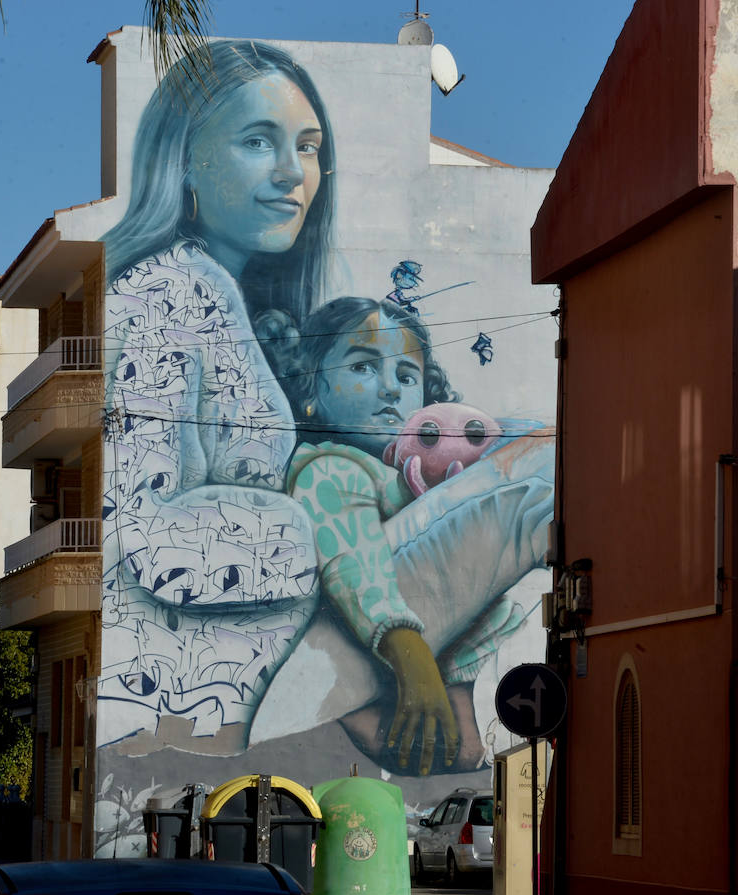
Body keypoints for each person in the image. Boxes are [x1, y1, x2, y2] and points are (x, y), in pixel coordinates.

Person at [99, 41, 452, 762]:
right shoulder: (165, 295)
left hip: (238, 707)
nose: (295, 173)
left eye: (310, 147)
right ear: (186, 160)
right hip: (183, 708)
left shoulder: (222, 293)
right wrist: (319, 529)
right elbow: (140, 531)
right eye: (259, 141)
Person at [270, 296, 552, 773]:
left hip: (438, 639)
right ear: (309, 390)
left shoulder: (412, 478)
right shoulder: (331, 466)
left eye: (406, 376)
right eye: (363, 367)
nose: (388, 389)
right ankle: (359, 704)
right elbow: (354, 561)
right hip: (382, 635)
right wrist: (413, 660)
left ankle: (454, 687)